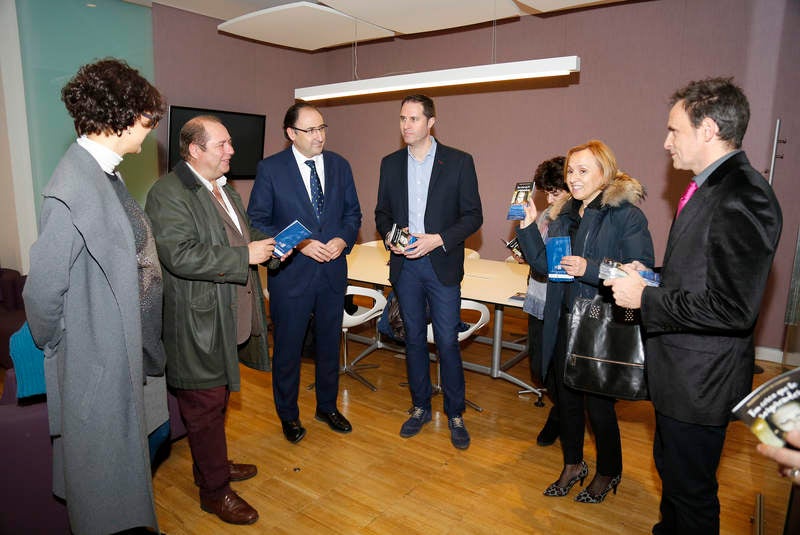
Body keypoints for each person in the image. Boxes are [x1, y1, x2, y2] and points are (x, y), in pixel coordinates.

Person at [604, 78, 782, 534]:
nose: (666, 143)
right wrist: (654, 276)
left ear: (707, 130)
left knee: (693, 492)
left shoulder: (745, 195)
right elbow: (700, 272)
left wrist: (647, 299)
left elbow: (732, 308)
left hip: (701, 381)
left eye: (674, 131)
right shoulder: (708, 187)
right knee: (674, 476)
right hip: (680, 373)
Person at [23, 58, 167, 534]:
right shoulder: (71, 187)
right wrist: (78, 343)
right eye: (146, 122)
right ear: (121, 116)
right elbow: (42, 294)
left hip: (126, 353)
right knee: (104, 494)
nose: (148, 133)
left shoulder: (105, 173)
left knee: (127, 479)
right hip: (100, 361)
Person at [146, 116, 275, 525]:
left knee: (217, 401)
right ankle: (214, 492)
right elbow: (179, 254)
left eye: (230, 144)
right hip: (195, 323)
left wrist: (267, 244)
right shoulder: (168, 193)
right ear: (195, 151)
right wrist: (245, 257)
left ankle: (210, 464)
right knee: (204, 405)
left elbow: (242, 232)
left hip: (226, 315)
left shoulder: (223, 187)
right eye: (222, 145)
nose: (231, 151)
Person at [515, 139, 654, 502]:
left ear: (605, 172)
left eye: (582, 171)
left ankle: (609, 471)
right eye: (570, 171)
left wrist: (590, 269)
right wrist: (529, 227)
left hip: (599, 324)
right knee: (568, 401)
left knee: (599, 408)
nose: (573, 178)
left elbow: (643, 272)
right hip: (563, 319)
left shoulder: (626, 214)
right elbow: (546, 266)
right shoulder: (562, 215)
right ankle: (573, 464)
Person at [248, 102, 362, 443]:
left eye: (322, 128)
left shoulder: (340, 166)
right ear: (291, 134)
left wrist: (342, 239)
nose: (319, 136)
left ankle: (326, 406)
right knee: (288, 348)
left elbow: (353, 215)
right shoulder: (271, 170)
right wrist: (299, 244)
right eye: (310, 130)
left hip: (332, 272)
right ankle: (289, 415)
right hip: (292, 274)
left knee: (329, 343)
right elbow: (258, 221)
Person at [375, 94, 483, 450]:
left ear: (431, 121)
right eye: (402, 119)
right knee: (414, 340)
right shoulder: (390, 163)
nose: (406, 126)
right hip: (405, 266)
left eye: (413, 119)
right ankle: (420, 406)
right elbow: (381, 214)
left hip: (441, 264)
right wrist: (392, 238)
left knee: (448, 342)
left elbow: (473, 216)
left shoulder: (459, 162)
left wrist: (438, 239)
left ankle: (455, 413)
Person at [520, 156, 569, 447]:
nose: (550, 198)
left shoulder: (570, 221)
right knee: (539, 366)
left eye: (556, 191)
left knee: (555, 373)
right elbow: (538, 255)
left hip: (554, 302)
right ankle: (562, 411)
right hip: (537, 297)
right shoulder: (546, 215)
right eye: (547, 192)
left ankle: (561, 416)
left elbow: (553, 264)